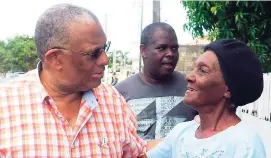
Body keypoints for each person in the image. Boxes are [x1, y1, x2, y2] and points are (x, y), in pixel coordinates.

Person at [0, 4, 146, 157]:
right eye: (93, 53)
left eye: (105, 48)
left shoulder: (113, 101)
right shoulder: (5, 106)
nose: (105, 60)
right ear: (55, 59)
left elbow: (137, 154)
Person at [147, 39, 266, 157]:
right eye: (194, 69)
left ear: (228, 88)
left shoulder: (245, 145)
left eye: (202, 71)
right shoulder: (181, 133)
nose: (189, 77)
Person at [115, 22, 198, 141]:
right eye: (161, 48)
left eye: (174, 48)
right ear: (143, 51)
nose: (170, 54)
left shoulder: (191, 87)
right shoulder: (119, 93)